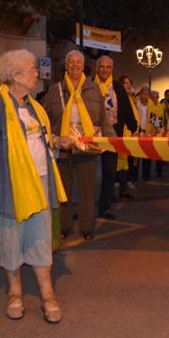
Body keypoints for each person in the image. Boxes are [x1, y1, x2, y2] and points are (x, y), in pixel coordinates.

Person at [0, 49, 70, 324]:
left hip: (40, 183)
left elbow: (42, 143)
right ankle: (14, 293)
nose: (36, 73)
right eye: (31, 69)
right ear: (15, 76)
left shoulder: (35, 107)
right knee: (12, 240)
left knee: (40, 239)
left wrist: (59, 143)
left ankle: (47, 295)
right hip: (11, 186)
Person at [42, 50, 113, 240]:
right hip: (62, 146)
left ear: (83, 66)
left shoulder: (93, 88)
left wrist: (111, 140)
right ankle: (64, 225)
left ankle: (87, 226)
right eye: (71, 62)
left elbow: (103, 118)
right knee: (63, 189)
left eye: (78, 62)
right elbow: (44, 117)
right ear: (66, 66)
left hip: (86, 147)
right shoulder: (55, 89)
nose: (74, 65)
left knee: (87, 189)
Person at [93, 56, 137, 215]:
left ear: (112, 69)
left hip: (112, 136)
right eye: (102, 67)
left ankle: (104, 207)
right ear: (97, 68)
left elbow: (126, 108)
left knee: (110, 174)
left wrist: (133, 126)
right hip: (93, 136)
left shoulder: (118, 88)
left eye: (108, 67)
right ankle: (86, 208)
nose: (105, 70)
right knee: (90, 175)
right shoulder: (90, 86)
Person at [117, 75, 139, 192]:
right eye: (125, 83)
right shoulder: (121, 98)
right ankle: (121, 185)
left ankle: (124, 185)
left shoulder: (131, 98)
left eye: (130, 83)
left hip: (131, 135)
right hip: (124, 134)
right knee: (122, 162)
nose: (129, 85)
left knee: (128, 162)